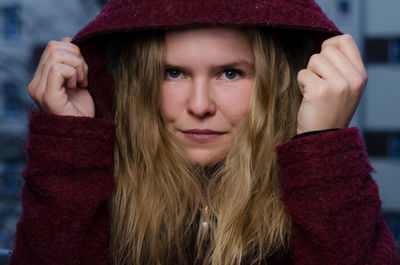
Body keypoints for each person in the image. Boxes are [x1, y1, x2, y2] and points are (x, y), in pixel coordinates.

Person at [9, 0, 400, 264]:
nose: (199, 105)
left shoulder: (316, 197)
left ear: (278, 83)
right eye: (172, 73)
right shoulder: (99, 194)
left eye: (230, 73)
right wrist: (71, 151)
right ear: (133, 83)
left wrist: (322, 149)